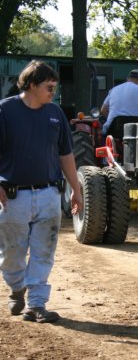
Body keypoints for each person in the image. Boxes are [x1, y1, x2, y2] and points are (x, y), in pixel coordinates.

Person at [0, 60, 84, 323]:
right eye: (49, 87)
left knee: (44, 251)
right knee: (12, 253)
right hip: (13, 197)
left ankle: (36, 305)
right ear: (32, 84)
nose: (53, 93)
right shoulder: (5, 111)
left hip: (49, 194)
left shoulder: (55, 113)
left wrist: (76, 189)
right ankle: (17, 288)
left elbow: (66, 154)